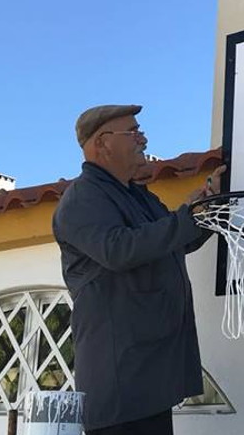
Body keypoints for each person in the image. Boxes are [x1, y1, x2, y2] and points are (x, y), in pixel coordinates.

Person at [52, 104, 225, 435]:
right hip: (119, 381)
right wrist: (187, 218)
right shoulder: (82, 198)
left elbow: (178, 238)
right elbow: (118, 249)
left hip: (149, 377)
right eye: (132, 132)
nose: (143, 139)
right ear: (102, 143)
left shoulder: (140, 198)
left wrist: (206, 207)